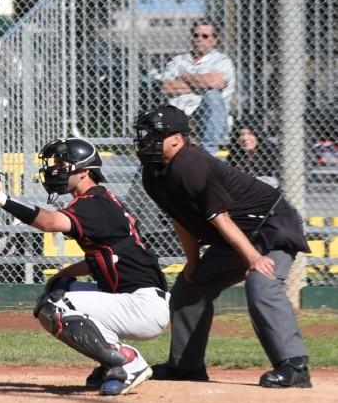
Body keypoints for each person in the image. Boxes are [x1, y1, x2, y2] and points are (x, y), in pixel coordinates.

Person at [0, 138, 169, 396]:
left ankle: (127, 361)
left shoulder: (94, 203)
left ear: (84, 172)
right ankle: (111, 362)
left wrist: (0, 197)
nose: (55, 170)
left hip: (142, 306)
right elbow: (104, 259)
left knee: (56, 306)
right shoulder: (99, 200)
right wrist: (64, 274)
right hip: (134, 297)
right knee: (60, 288)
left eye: (63, 164)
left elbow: (49, 222)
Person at [134, 104, 312, 388]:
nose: (146, 141)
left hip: (271, 226)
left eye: (155, 135)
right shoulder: (152, 174)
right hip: (236, 235)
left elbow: (221, 217)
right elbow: (181, 219)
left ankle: (294, 365)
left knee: (260, 282)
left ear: (177, 139)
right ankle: (186, 366)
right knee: (189, 287)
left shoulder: (190, 163)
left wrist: (254, 258)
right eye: (145, 135)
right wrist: (193, 262)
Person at [160, 20, 236, 155]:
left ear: (214, 40)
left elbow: (216, 84)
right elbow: (167, 87)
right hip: (179, 113)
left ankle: (208, 153)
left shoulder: (222, 61)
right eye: (196, 35)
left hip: (206, 116)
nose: (199, 39)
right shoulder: (179, 60)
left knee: (212, 95)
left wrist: (185, 77)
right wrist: (203, 81)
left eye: (205, 36)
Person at [227, 119, 280, 187]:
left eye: (250, 134)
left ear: (258, 135)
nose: (245, 138)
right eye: (241, 134)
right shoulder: (234, 155)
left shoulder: (271, 152)